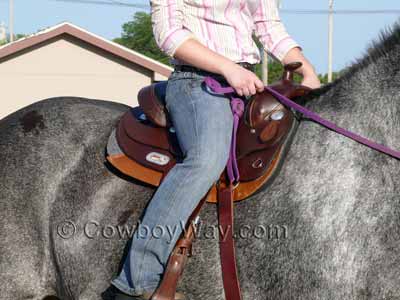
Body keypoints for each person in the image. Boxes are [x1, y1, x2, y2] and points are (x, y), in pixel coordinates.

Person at [111, 0, 320, 299]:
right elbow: (168, 33)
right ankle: (136, 282)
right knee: (207, 159)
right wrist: (227, 68)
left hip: (247, 81)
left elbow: (268, 24)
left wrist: (306, 69)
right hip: (196, 82)